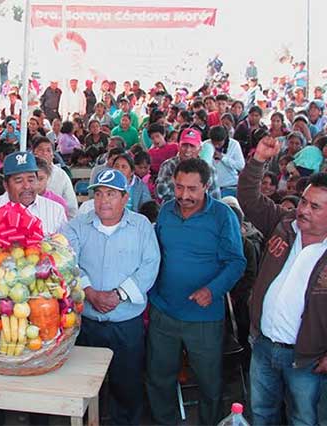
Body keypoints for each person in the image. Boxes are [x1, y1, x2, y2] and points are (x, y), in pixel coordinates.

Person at [146, 158, 246, 425]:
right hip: (163, 312)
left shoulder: (222, 216)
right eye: (179, 187)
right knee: (159, 377)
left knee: (209, 383)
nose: (184, 195)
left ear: (206, 186)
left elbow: (236, 262)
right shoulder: (166, 211)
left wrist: (212, 290)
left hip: (204, 317)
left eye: (192, 189)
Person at [237, 135, 327, 425]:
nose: (303, 210)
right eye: (304, 202)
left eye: (315, 207)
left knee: (304, 419)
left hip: (306, 360)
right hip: (263, 345)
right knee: (261, 413)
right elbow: (249, 199)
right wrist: (259, 160)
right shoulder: (284, 225)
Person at [63, 168, 160, 425]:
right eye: (99, 194)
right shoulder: (78, 226)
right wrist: (90, 292)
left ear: (125, 198)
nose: (104, 200)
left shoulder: (141, 227)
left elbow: (150, 265)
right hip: (89, 322)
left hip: (126, 324)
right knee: (84, 384)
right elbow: (66, 261)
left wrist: (118, 295)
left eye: (111, 194)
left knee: (126, 384)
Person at [0, 151, 66, 237]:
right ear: (6, 185)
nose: (26, 186)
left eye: (31, 180)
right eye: (19, 181)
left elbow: (65, 249)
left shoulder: (56, 210)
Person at [155, 128, 221, 202]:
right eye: (184, 145)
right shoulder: (168, 165)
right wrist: (180, 177)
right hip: (173, 210)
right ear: (178, 146)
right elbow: (160, 192)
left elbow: (215, 198)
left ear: (199, 149)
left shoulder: (209, 170)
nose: (188, 150)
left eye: (192, 146)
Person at [32, 137, 78, 218]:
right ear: (33, 153)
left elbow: (71, 207)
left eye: (48, 150)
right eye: (41, 150)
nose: (45, 153)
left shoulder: (61, 175)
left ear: (53, 155)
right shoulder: (26, 173)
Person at [203, 125, 245, 197]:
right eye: (214, 143)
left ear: (225, 139)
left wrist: (223, 158)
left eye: (219, 143)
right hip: (211, 187)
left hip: (230, 185)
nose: (216, 146)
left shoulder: (234, 145)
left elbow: (241, 166)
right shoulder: (206, 145)